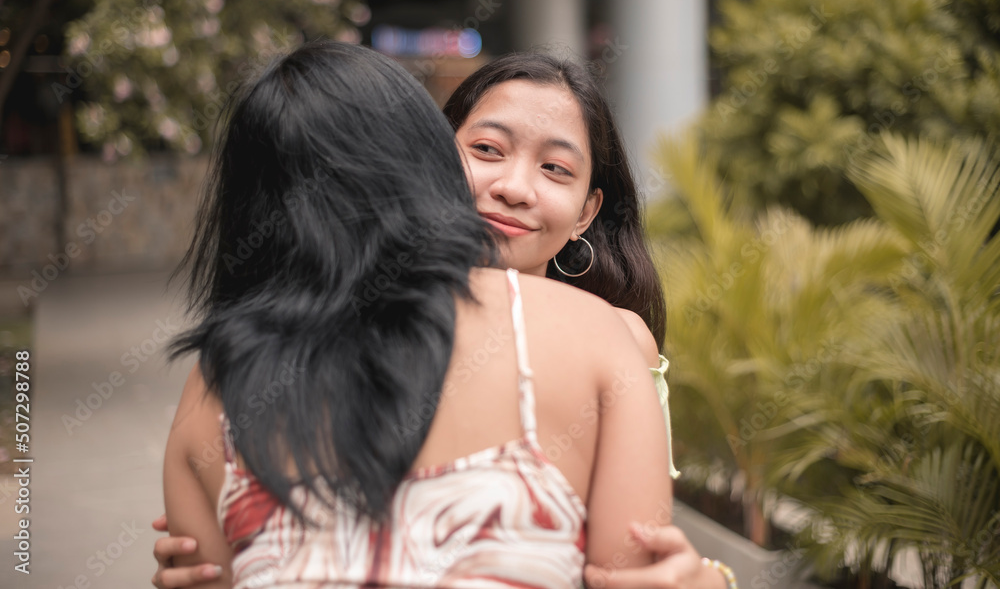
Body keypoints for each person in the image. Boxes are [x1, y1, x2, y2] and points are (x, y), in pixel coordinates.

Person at [153, 51, 733, 589]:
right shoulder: (596, 339)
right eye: (485, 150)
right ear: (434, 156)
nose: (513, 188)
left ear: (588, 213)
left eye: (556, 168)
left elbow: (643, 565)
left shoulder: (613, 336)